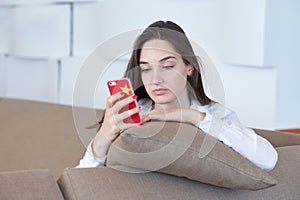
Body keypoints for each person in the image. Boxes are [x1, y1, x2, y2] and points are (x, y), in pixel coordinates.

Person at [77, 20, 278, 171]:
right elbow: (83, 179)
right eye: (146, 69)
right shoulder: (134, 111)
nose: (156, 79)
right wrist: (104, 136)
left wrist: (190, 117)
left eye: (167, 66)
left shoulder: (214, 115)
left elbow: (267, 160)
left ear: (188, 67)